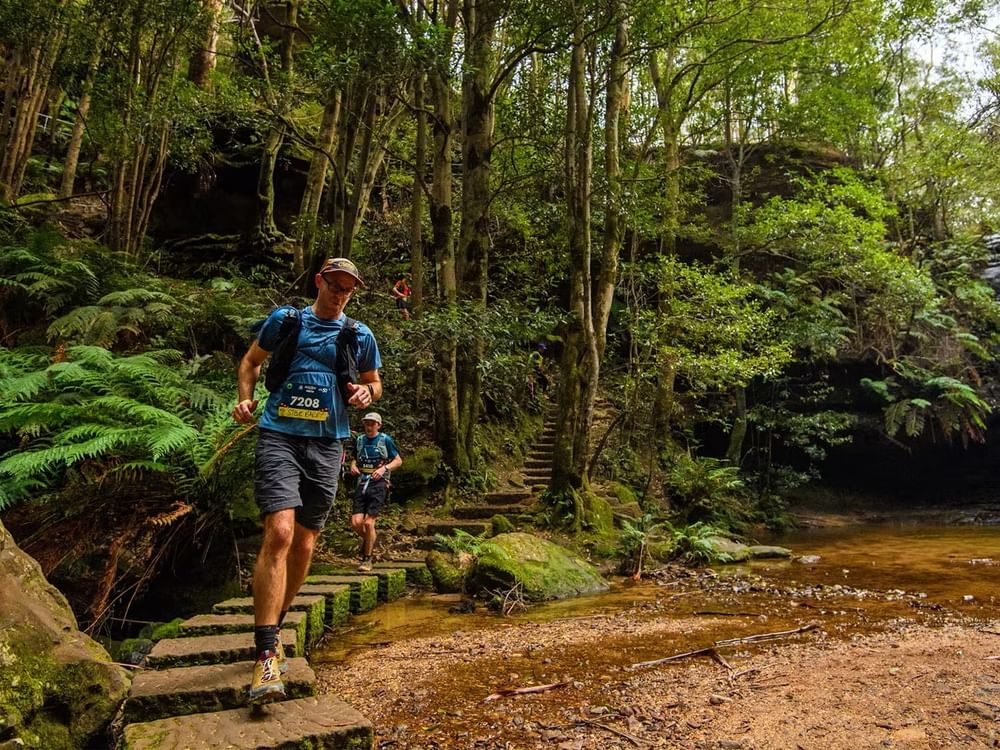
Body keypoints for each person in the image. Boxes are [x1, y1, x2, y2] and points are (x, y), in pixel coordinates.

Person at [232, 256, 383, 704]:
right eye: (334, 284)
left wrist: (364, 391)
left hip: (327, 444)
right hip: (279, 435)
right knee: (278, 532)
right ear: (319, 281)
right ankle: (265, 656)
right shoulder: (287, 321)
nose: (340, 293)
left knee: (304, 543)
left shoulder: (359, 335)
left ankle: (275, 626)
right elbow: (250, 363)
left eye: (347, 289)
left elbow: (375, 384)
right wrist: (245, 400)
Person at [348, 412, 402, 571]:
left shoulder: (385, 440)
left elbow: (398, 460)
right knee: (356, 523)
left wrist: (384, 468)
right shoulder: (359, 440)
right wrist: (353, 466)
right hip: (362, 482)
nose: (369, 426)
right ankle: (369, 541)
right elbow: (354, 458)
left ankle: (367, 559)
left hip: (379, 484)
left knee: (369, 522)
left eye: (372, 423)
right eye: (367, 423)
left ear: (379, 425)